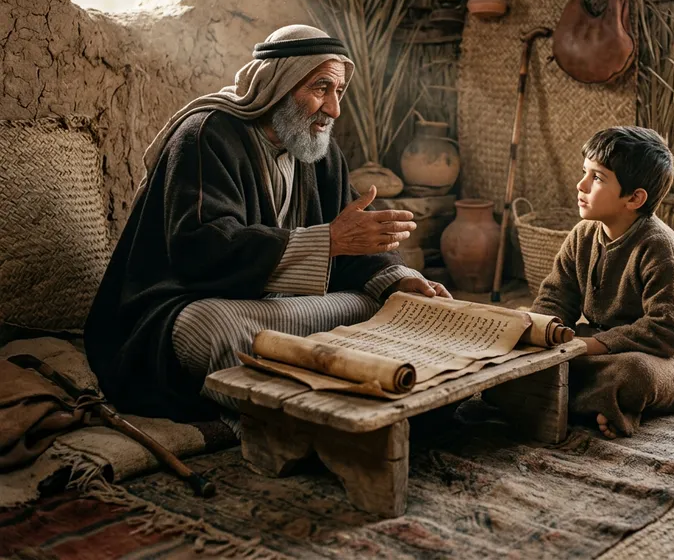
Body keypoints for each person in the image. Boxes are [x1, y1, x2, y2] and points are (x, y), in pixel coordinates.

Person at [84, 25, 450, 424]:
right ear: (279, 84)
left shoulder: (319, 152)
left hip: (279, 310)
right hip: (194, 305)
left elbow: (352, 245)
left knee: (381, 303)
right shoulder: (207, 135)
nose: (333, 109)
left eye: (338, 92)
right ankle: (295, 422)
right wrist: (326, 242)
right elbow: (200, 250)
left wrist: (397, 280)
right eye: (321, 88)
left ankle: (321, 401)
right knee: (213, 327)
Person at [529, 126, 674, 438]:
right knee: (521, 334)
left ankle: (563, 397)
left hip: (667, 360)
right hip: (600, 344)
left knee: (632, 374)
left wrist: (588, 347)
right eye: (584, 171)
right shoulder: (582, 236)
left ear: (634, 198)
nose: (581, 184)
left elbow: (666, 332)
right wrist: (541, 332)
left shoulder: (660, 249)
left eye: (597, 178)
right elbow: (556, 298)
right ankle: (604, 406)